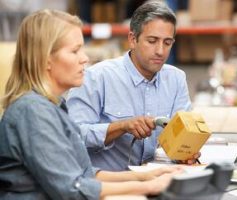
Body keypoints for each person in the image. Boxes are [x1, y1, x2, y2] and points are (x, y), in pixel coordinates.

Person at [0, 9, 183, 199]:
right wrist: (149, 186)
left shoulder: (54, 107)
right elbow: (72, 189)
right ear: (46, 59)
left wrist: (145, 176)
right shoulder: (32, 111)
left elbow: (86, 174)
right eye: (75, 51)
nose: (85, 58)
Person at [67, 1, 197, 171]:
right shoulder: (96, 78)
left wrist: (185, 153)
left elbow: (184, 137)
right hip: (109, 188)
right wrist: (121, 126)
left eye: (167, 43)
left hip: (156, 181)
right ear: (132, 39)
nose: (160, 51)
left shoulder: (176, 79)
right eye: (152, 41)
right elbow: (72, 136)